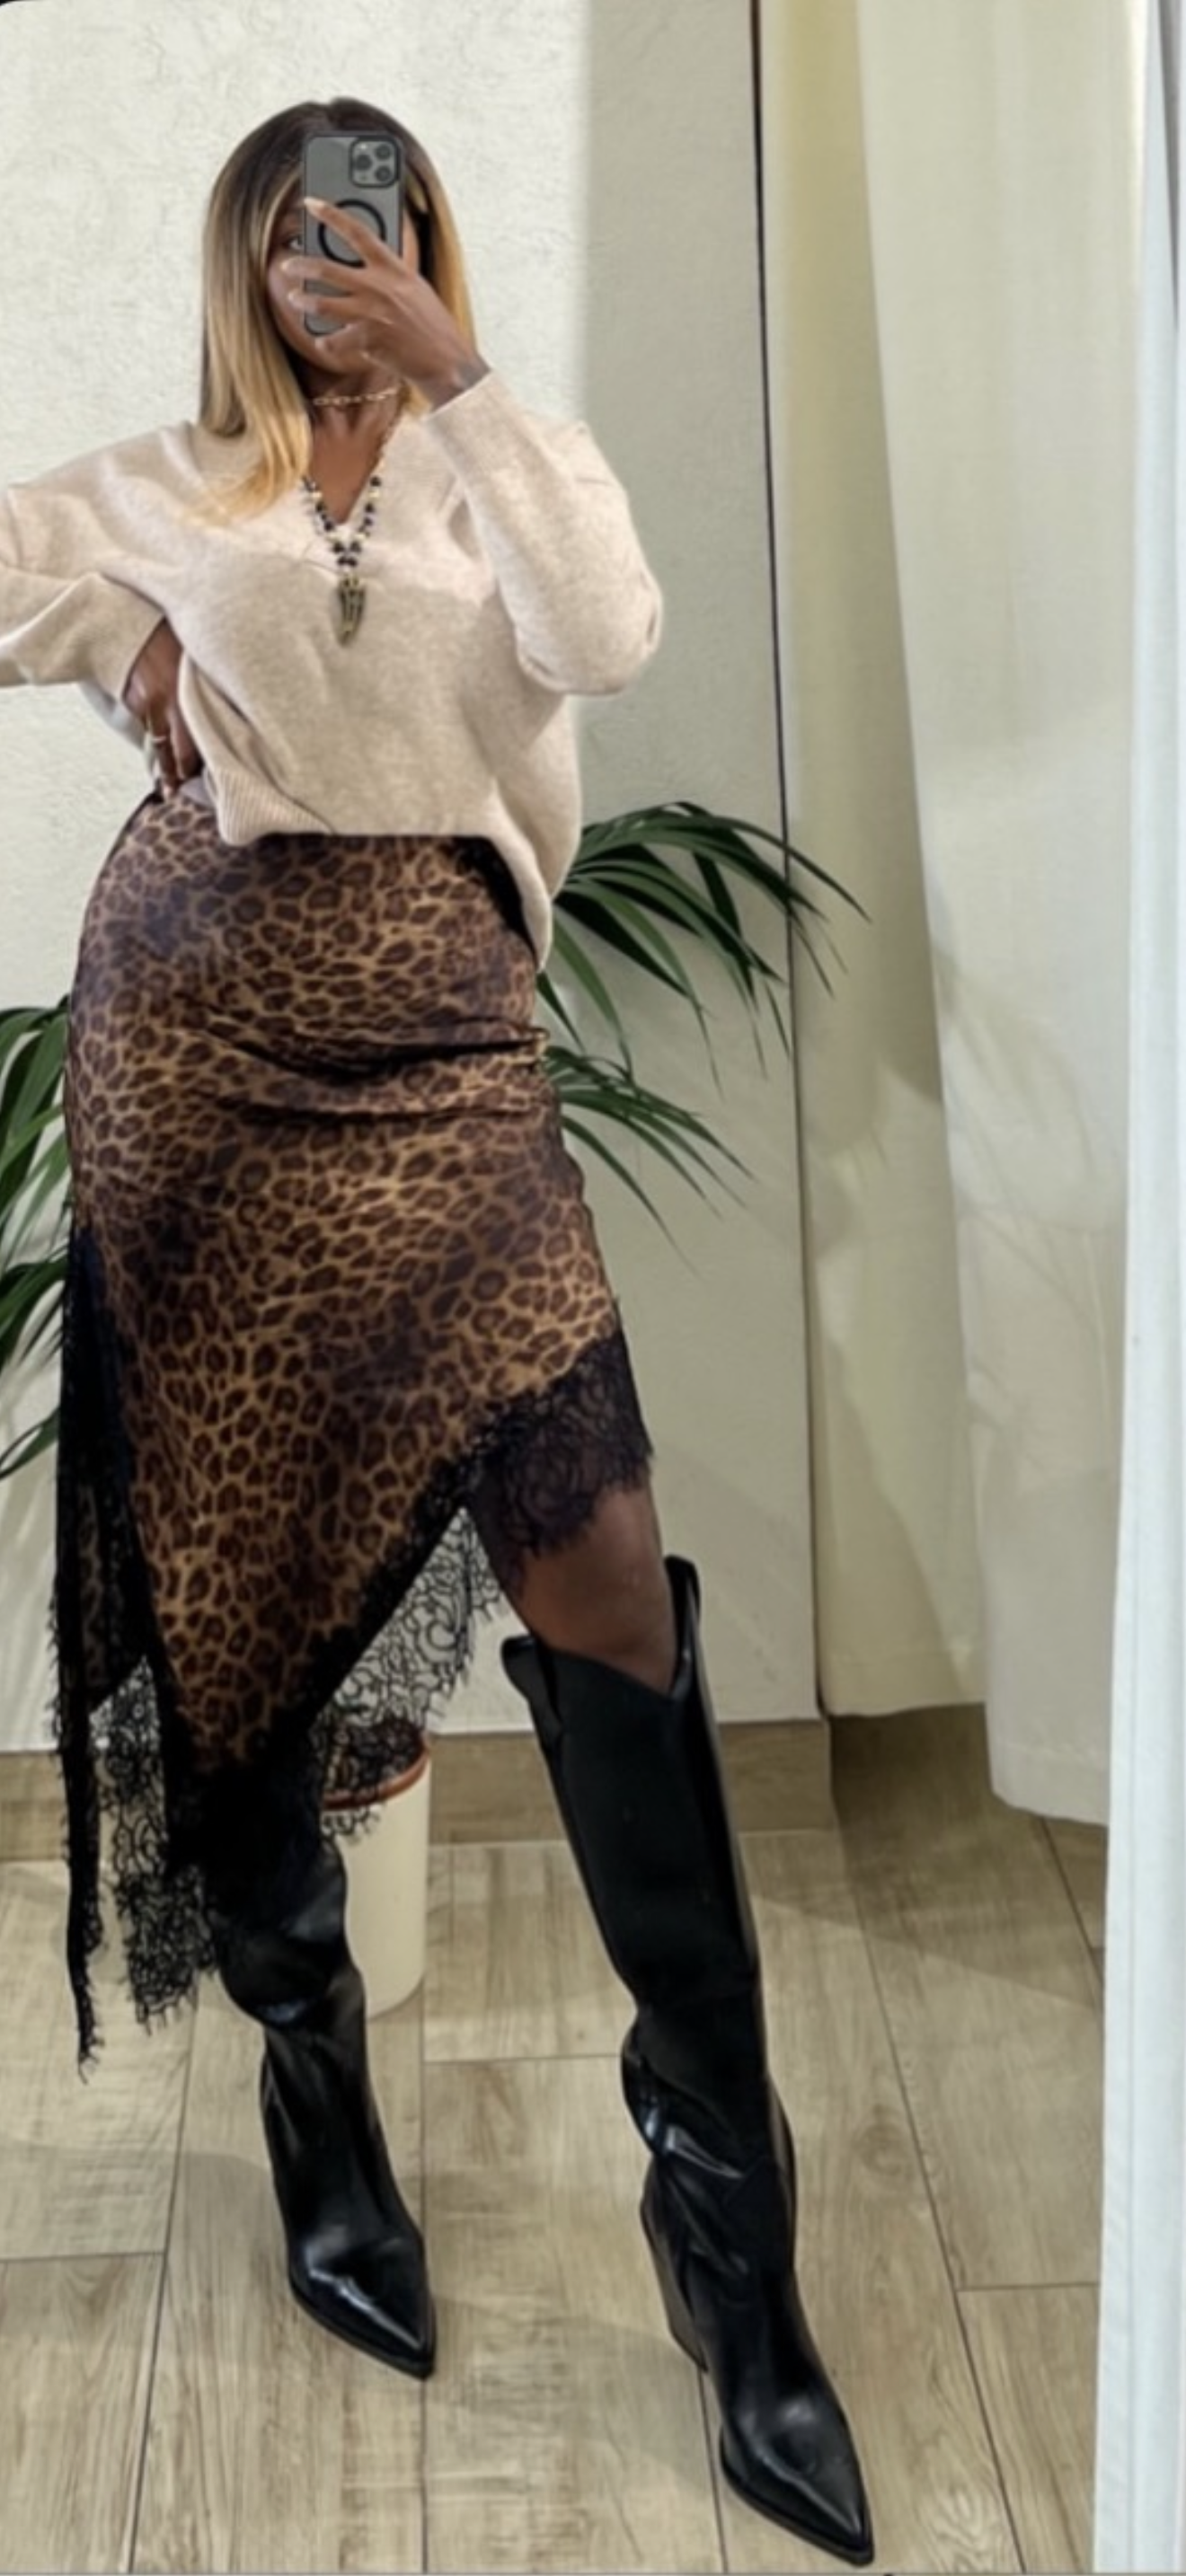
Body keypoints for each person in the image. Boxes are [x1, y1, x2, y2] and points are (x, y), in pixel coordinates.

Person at [0, 99, 873, 2565]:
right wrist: (120, 638)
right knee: (237, 1600)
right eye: (297, 232)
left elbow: (609, 636)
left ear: (426, 241)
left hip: (451, 1069)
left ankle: (727, 2227)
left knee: (602, 1574)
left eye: (371, 224)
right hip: (197, 1062)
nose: (335, 260)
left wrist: (463, 372)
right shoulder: (169, 480)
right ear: (241, 257)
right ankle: (318, 2096)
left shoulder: (504, 465)